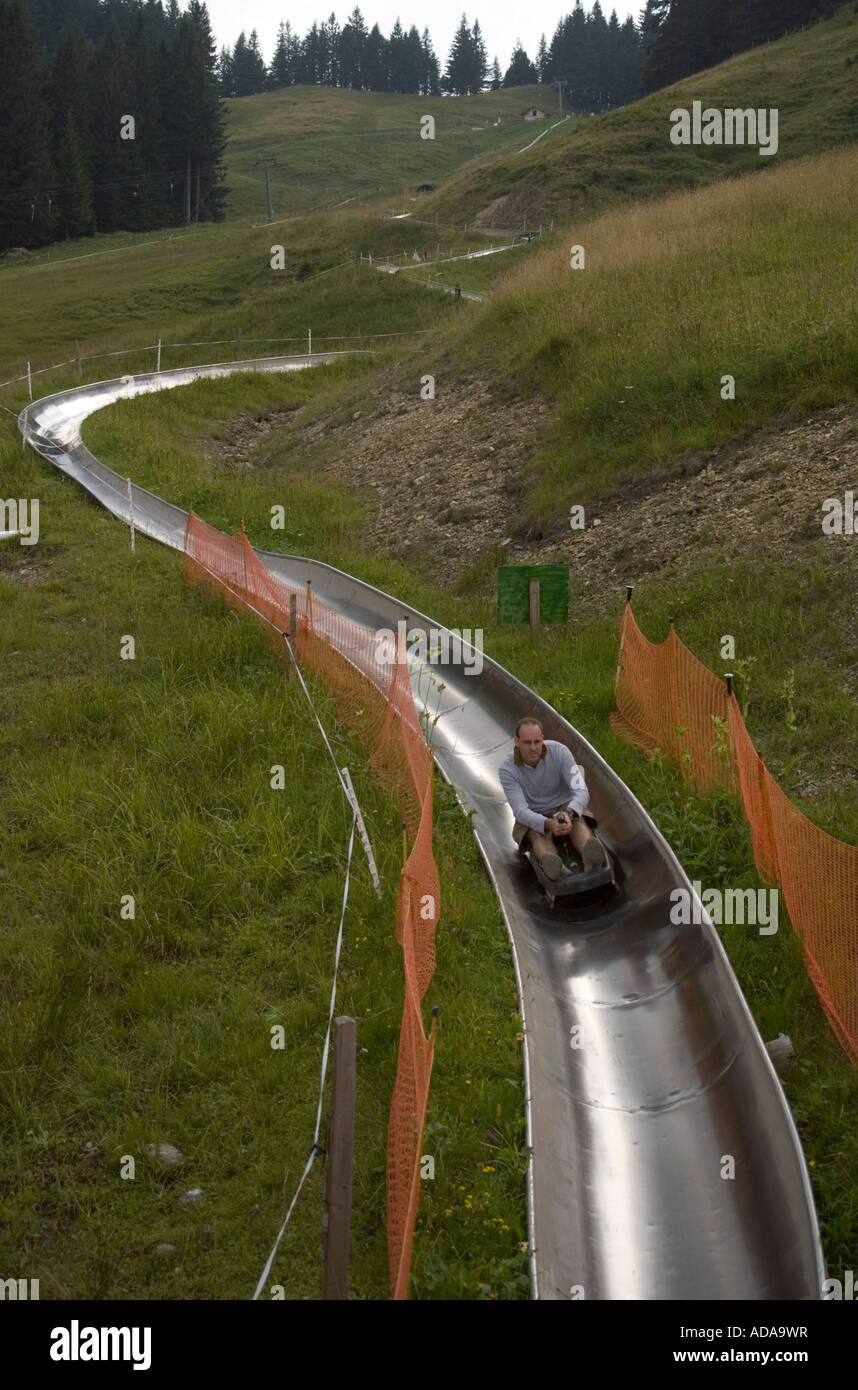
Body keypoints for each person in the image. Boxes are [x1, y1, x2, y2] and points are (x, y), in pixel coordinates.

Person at [498, 716, 603, 880]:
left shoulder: (560, 752)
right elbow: (519, 810)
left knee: (578, 821)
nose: (533, 748)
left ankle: (590, 855)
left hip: (563, 806)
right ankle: (553, 865)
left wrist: (569, 813)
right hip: (533, 813)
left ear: (542, 740)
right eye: (527, 743)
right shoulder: (507, 769)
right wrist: (547, 824)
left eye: (537, 742)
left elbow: (581, 790)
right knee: (535, 833)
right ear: (517, 742)